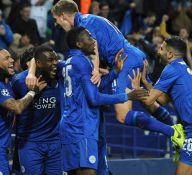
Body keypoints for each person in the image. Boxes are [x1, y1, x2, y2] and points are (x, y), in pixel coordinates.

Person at [61, 26, 149, 175]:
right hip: (82, 128)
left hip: (70, 126)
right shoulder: (82, 62)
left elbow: (94, 87)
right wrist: (127, 96)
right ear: (79, 44)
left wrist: (115, 72)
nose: (93, 41)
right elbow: (94, 98)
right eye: (88, 37)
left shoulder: (69, 61)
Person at [132, 36, 192, 175]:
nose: (158, 51)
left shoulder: (171, 69)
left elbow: (149, 101)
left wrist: (135, 89)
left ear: (170, 54)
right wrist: (145, 80)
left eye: (161, 48)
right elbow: (162, 99)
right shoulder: (182, 67)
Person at [0, 47, 46, 175]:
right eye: (7, 58)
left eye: (11, 57)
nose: (12, 60)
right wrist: (33, 91)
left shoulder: (8, 82)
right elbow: (17, 108)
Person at [12, 46, 62, 175]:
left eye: (56, 60)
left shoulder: (59, 76)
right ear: (38, 63)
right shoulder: (19, 81)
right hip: (30, 143)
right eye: (50, 60)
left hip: (55, 142)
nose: (55, 64)